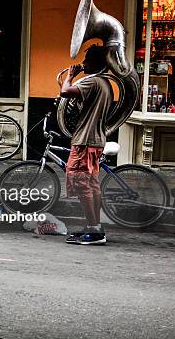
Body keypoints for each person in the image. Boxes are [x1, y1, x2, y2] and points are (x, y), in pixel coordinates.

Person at [60, 44, 113, 245]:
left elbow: (65, 91)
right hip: (95, 139)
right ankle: (94, 226)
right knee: (92, 184)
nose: (83, 64)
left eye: (86, 60)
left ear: (94, 62)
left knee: (82, 184)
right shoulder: (105, 83)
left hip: (85, 140)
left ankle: (94, 230)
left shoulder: (92, 82)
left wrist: (70, 76)